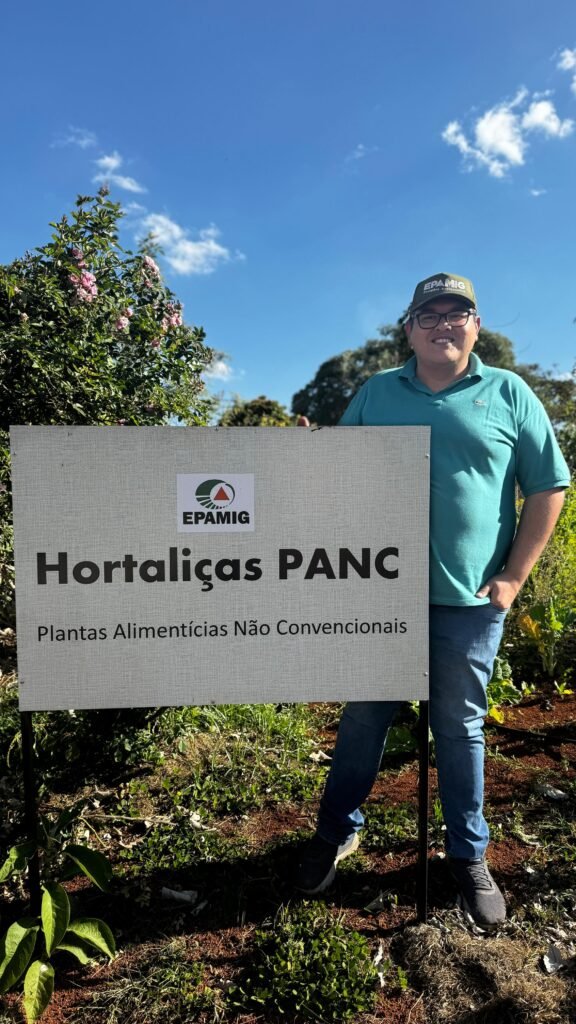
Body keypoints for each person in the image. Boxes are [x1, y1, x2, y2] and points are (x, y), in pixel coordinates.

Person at [293, 272, 570, 929]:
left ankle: (468, 854)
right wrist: (305, 455)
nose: (443, 324)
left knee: (460, 727)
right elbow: (339, 472)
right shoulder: (377, 392)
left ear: (476, 325)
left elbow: (549, 486)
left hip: (469, 603)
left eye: (457, 314)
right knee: (364, 719)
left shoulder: (509, 393)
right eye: (429, 315)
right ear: (409, 329)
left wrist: (514, 578)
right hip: (380, 595)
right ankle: (335, 831)